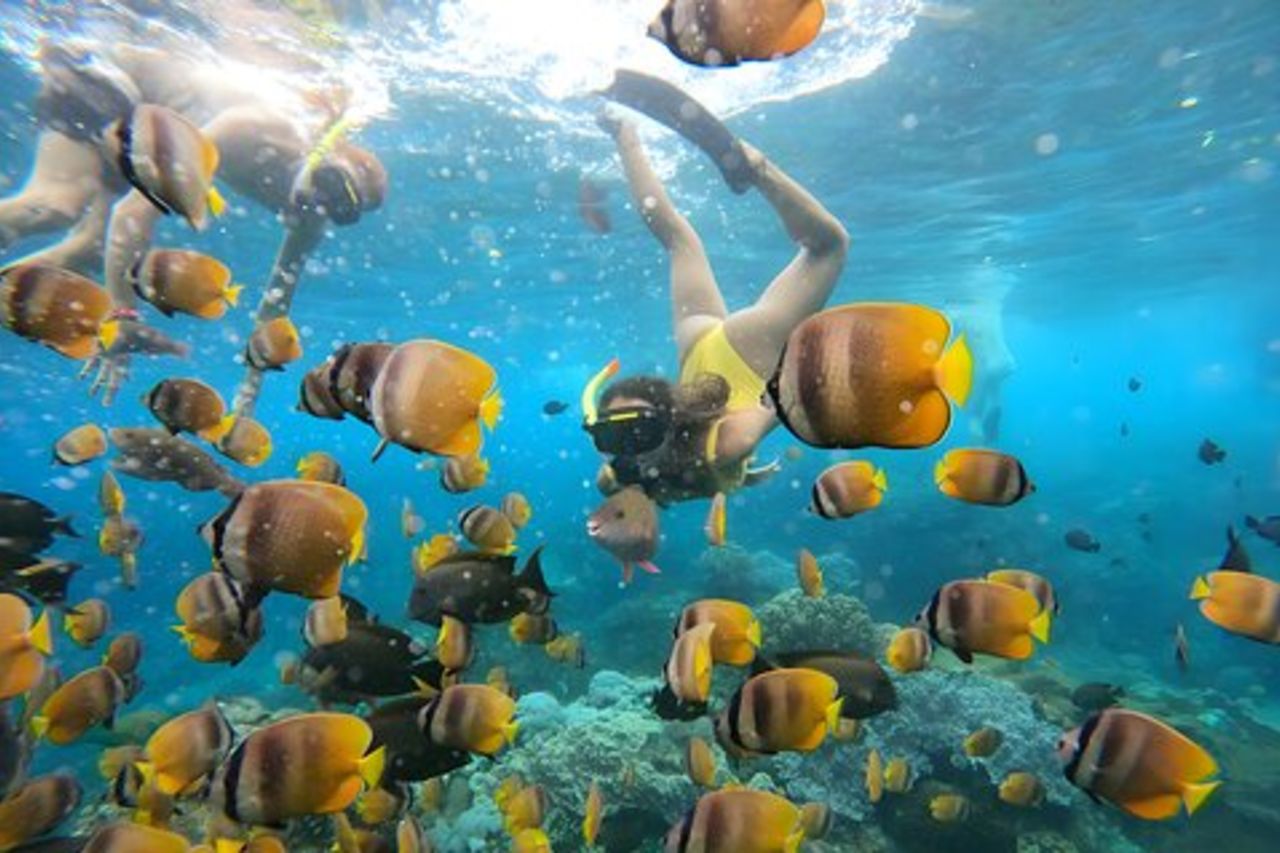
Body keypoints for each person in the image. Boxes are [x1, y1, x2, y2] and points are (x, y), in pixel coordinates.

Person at [0, 34, 387, 409]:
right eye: (331, 183)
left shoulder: (310, 218)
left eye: (341, 209)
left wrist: (248, 394)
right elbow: (132, 212)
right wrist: (122, 316)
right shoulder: (258, 124)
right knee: (57, 205)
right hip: (112, 82)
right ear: (323, 151)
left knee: (93, 248)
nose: (318, 200)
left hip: (145, 135)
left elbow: (274, 310)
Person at [585, 109, 849, 506]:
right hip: (697, 355)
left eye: (622, 438)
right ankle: (626, 137)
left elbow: (786, 398)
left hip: (746, 362)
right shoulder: (637, 470)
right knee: (677, 239)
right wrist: (744, 478)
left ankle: (760, 170)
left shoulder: (728, 445)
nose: (631, 450)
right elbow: (687, 472)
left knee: (829, 247)